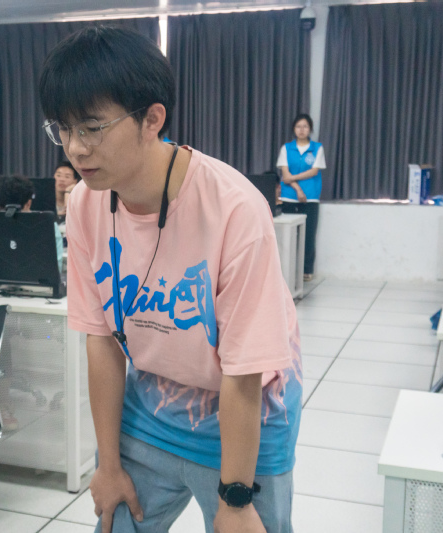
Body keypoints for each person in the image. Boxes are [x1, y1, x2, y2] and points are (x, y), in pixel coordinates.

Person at [39, 26, 301, 533]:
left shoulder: (235, 209)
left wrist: (236, 498)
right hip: (154, 407)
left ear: (152, 119)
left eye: (91, 128)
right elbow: (101, 340)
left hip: (248, 417)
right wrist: (108, 465)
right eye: (63, 129)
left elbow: (244, 370)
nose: (75, 149)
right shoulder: (85, 204)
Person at [277, 113, 325, 282]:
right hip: (289, 196)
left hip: (310, 197)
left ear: (310, 129)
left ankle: (306, 270)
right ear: (294, 129)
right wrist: (298, 189)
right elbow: (285, 174)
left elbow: (314, 171)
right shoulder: (286, 148)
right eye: (298, 126)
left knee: (309, 235)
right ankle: (285, 269)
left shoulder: (317, 148)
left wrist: (293, 179)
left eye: (305, 126)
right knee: (287, 236)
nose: (302, 130)